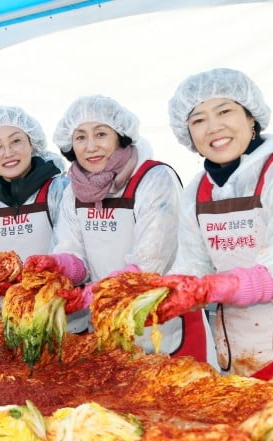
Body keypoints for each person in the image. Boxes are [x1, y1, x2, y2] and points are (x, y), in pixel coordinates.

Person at [165, 67, 273, 384]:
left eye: (225, 111)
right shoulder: (198, 190)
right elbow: (190, 270)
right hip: (242, 359)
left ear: (252, 117)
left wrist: (211, 287)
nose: (213, 127)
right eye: (198, 120)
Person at [24, 95, 214, 361]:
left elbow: (148, 266)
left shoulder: (155, 178)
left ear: (120, 136)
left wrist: (90, 295)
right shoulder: (74, 191)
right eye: (80, 137)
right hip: (106, 325)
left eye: (100, 134)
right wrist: (58, 264)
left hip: (163, 328)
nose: (91, 146)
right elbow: (77, 256)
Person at [0, 106, 77, 320]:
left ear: (32, 143)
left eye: (16, 141)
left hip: (65, 319)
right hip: (12, 319)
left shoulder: (59, 190)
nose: (8, 153)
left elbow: (74, 252)